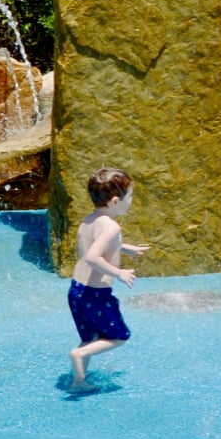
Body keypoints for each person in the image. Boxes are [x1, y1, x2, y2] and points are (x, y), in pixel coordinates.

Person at [67, 167, 149, 390]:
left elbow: (96, 245)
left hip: (77, 291)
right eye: (129, 196)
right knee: (119, 336)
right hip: (96, 295)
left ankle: (78, 381)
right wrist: (118, 272)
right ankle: (78, 355)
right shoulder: (111, 227)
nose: (131, 201)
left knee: (91, 337)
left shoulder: (90, 219)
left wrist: (124, 247)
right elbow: (92, 257)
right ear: (114, 202)